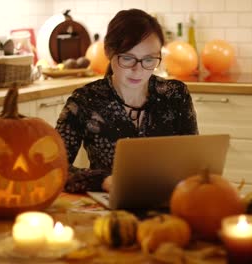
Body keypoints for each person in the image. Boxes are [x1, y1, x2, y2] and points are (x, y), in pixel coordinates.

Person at [56, 9, 199, 193]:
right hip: (110, 207)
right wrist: (103, 181)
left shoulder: (175, 95)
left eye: (148, 60)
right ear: (109, 51)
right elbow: (54, 167)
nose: (138, 70)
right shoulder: (85, 101)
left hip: (169, 201)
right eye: (127, 58)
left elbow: (193, 161)